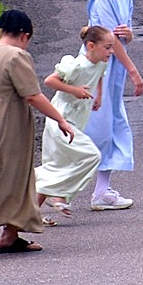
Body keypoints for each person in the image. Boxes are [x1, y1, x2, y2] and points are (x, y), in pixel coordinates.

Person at [0, 10, 75, 253]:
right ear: (25, 35)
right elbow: (32, 95)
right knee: (16, 175)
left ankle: (7, 234)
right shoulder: (16, 56)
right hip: (7, 121)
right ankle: (2, 231)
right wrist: (60, 119)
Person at [84, 0, 143, 211]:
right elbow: (109, 42)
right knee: (94, 128)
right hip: (100, 70)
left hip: (113, 71)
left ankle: (101, 190)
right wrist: (133, 70)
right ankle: (58, 189)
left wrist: (129, 35)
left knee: (110, 127)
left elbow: (123, 33)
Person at [34, 25, 113, 225]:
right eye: (107, 47)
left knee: (58, 163)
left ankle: (32, 212)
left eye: (112, 47)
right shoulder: (76, 65)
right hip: (60, 117)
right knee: (91, 155)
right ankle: (59, 195)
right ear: (91, 46)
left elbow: (99, 76)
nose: (111, 52)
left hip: (76, 120)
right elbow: (50, 81)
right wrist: (74, 90)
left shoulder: (101, 62)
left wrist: (99, 95)